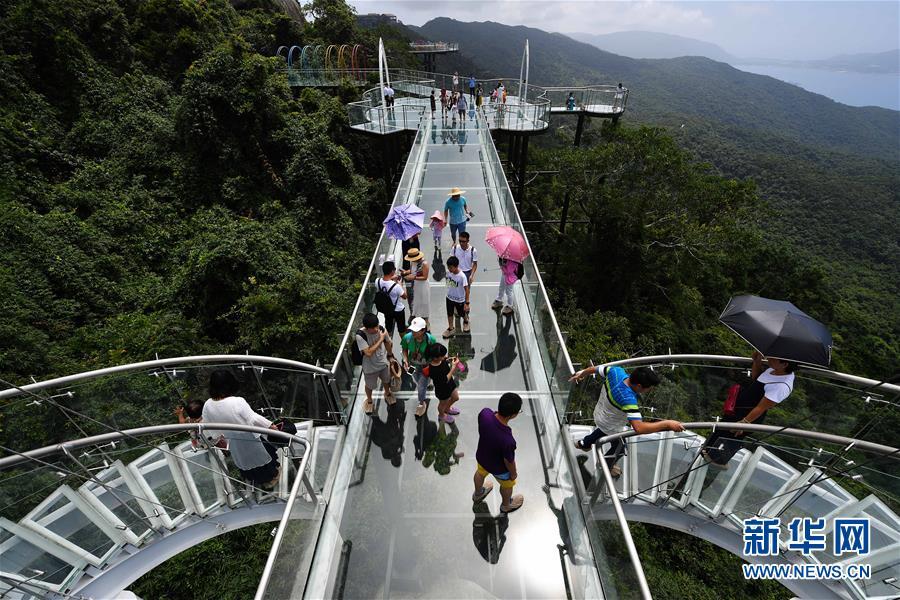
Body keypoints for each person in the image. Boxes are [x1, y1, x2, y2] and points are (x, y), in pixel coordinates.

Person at [569, 365, 683, 478]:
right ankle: (605, 465)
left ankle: (584, 443)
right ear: (639, 386)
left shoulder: (616, 371)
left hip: (600, 412)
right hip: (609, 423)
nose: (649, 390)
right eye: (649, 388)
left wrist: (581, 374)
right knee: (620, 448)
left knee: (604, 431)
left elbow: (593, 369)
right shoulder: (627, 399)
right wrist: (668, 424)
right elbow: (639, 428)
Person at [702, 351, 795, 469]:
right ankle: (706, 453)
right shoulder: (774, 369)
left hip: (747, 416)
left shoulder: (782, 386)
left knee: (728, 439)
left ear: (785, 364)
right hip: (737, 410)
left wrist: (744, 423)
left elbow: (761, 407)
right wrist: (757, 362)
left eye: (774, 358)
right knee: (718, 434)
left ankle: (714, 465)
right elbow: (757, 379)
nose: (769, 358)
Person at [201, 370, 281, 489]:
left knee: (246, 462)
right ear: (229, 384)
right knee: (264, 458)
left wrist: (214, 439)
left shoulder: (208, 405)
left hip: (234, 442)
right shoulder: (237, 401)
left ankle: (259, 482)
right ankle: (271, 478)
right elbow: (253, 418)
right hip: (251, 438)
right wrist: (270, 426)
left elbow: (207, 425)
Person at [473, 392, 524, 514]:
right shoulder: (508, 440)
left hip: (482, 458)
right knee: (507, 486)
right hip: (500, 470)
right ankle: (506, 505)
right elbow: (509, 461)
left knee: (479, 474)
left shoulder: (485, 413)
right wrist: (513, 474)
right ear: (513, 415)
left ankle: (478, 493)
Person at [357, 312, 395, 415]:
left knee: (386, 380)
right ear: (366, 328)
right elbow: (368, 352)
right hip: (369, 367)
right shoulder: (360, 336)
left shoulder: (381, 329)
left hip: (383, 362)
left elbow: (388, 343)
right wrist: (381, 339)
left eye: (377, 326)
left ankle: (387, 393)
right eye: (373, 328)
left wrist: (390, 356)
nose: (376, 329)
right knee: (370, 385)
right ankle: (369, 400)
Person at [402, 318, 437, 417]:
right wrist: (405, 360)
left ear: (423, 330)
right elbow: (404, 349)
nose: (413, 332)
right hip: (412, 365)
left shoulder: (431, 340)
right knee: (416, 379)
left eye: (416, 330)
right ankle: (427, 382)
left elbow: (434, 354)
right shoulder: (407, 338)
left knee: (421, 386)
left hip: (425, 366)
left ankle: (421, 403)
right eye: (412, 330)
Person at [424, 342, 462, 423]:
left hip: (450, 384)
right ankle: (441, 415)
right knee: (442, 404)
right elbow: (445, 380)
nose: (445, 356)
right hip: (442, 389)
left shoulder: (440, 360)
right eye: (443, 355)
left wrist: (448, 359)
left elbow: (444, 360)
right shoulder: (434, 369)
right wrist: (453, 367)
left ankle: (447, 409)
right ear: (435, 358)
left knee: (455, 397)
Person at [376, 261, 408, 337]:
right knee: (401, 329)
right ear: (392, 271)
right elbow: (405, 296)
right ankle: (404, 344)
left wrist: (392, 278)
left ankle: (388, 341)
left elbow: (385, 281)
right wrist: (400, 284)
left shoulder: (377, 281)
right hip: (398, 310)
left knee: (388, 328)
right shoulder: (396, 286)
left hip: (386, 309)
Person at [404, 248, 430, 330]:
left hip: (423, 286)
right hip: (416, 285)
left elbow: (425, 277)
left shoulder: (424, 264)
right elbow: (412, 271)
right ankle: (416, 315)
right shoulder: (413, 262)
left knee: (423, 302)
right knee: (416, 301)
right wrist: (405, 272)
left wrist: (414, 277)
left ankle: (425, 320)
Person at [444, 255, 470, 337]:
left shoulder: (462, 276)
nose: (449, 269)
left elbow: (466, 289)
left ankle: (466, 321)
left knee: (461, 313)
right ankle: (451, 328)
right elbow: (448, 282)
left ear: (456, 266)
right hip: (449, 297)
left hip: (459, 299)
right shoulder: (448, 273)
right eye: (448, 267)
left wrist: (467, 303)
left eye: (451, 267)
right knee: (449, 313)